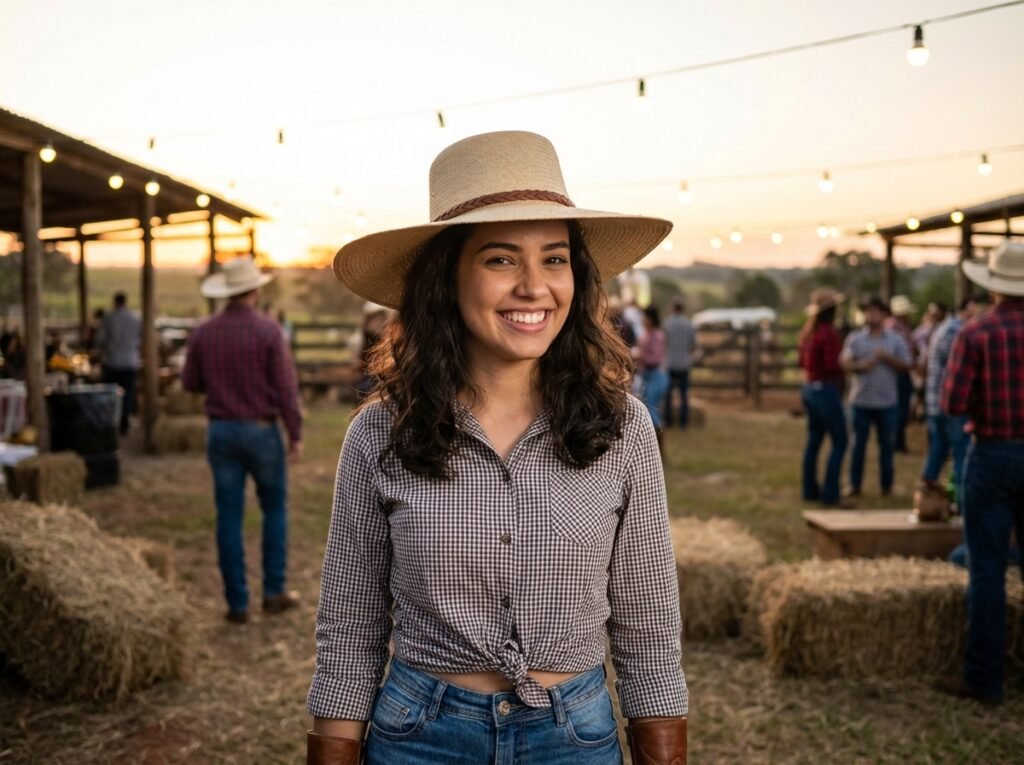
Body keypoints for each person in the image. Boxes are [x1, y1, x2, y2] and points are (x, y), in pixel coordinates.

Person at [306, 131, 687, 765]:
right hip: (418, 736)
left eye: (555, 259)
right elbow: (350, 624)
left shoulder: (624, 428)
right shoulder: (380, 433)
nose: (535, 286)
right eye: (501, 259)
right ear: (446, 278)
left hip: (576, 737)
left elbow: (648, 621)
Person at [181, 257, 303, 625]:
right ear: (255, 289)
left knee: (229, 517)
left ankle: (237, 604)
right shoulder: (269, 332)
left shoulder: (203, 332)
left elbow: (189, 382)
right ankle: (273, 591)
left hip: (222, 430)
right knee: (274, 509)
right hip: (262, 431)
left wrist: (220, 383)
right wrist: (294, 433)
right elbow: (285, 389)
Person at [937, 241, 1024, 707]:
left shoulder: (977, 333)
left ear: (992, 287)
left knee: (987, 570)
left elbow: (951, 402)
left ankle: (985, 679)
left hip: (992, 453)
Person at [841, 297, 912, 498]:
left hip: (887, 402)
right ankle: (855, 485)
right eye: (867, 312)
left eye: (874, 311)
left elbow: (908, 365)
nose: (870, 316)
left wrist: (887, 358)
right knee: (857, 446)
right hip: (861, 401)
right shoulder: (855, 338)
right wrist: (861, 366)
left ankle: (887, 486)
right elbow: (845, 363)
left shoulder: (894, 340)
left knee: (886, 447)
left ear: (883, 315)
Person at [919, 294, 986, 500]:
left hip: (937, 404)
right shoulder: (957, 330)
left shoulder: (947, 328)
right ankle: (959, 499)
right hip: (950, 405)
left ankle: (928, 491)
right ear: (970, 306)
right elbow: (961, 372)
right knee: (961, 453)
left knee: (939, 448)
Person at [798, 288, 850, 508]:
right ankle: (830, 493)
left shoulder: (808, 332)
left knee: (814, 440)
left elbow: (801, 361)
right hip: (826, 390)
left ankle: (810, 490)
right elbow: (832, 365)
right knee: (840, 441)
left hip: (810, 388)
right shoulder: (828, 334)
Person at [96, 292, 141, 436]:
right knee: (127, 395)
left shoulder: (109, 318)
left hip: (112, 362)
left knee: (110, 395)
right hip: (130, 362)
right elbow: (142, 338)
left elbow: (99, 339)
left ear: (114, 302)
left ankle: (109, 425)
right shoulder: (135, 318)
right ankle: (124, 424)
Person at [886, 295, 917, 453]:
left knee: (902, 408)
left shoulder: (900, 327)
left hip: (902, 371)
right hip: (899, 372)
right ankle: (897, 442)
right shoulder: (894, 328)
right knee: (900, 408)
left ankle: (898, 441)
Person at [636, 304, 669, 446]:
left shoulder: (657, 335)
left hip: (656, 376)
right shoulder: (647, 334)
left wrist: (640, 357)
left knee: (651, 409)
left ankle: (658, 446)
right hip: (647, 376)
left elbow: (655, 359)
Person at [346, 301, 392, 399]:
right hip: (367, 378)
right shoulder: (359, 340)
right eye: (375, 319)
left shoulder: (389, 339)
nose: (379, 322)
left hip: (386, 378)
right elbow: (355, 364)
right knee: (366, 387)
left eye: (380, 318)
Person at [663, 297, 696, 429]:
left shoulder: (667, 323)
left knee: (669, 395)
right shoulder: (689, 324)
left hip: (670, 363)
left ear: (673, 308)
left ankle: (669, 421)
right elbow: (693, 344)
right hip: (684, 363)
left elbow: (663, 343)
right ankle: (683, 422)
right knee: (684, 395)